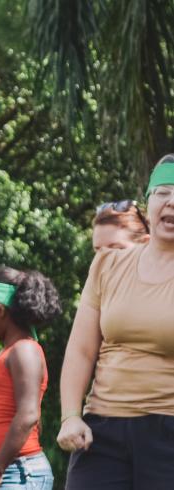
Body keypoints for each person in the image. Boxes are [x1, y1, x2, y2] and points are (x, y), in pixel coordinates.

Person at [57, 154, 174, 488]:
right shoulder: (107, 265)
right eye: (163, 192)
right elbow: (81, 350)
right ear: (149, 201)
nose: (172, 202)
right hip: (102, 431)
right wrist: (71, 416)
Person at [0, 262, 60, 490]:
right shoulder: (10, 352)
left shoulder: (24, 350)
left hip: (19, 473)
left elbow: (28, 415)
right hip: (7, 472)